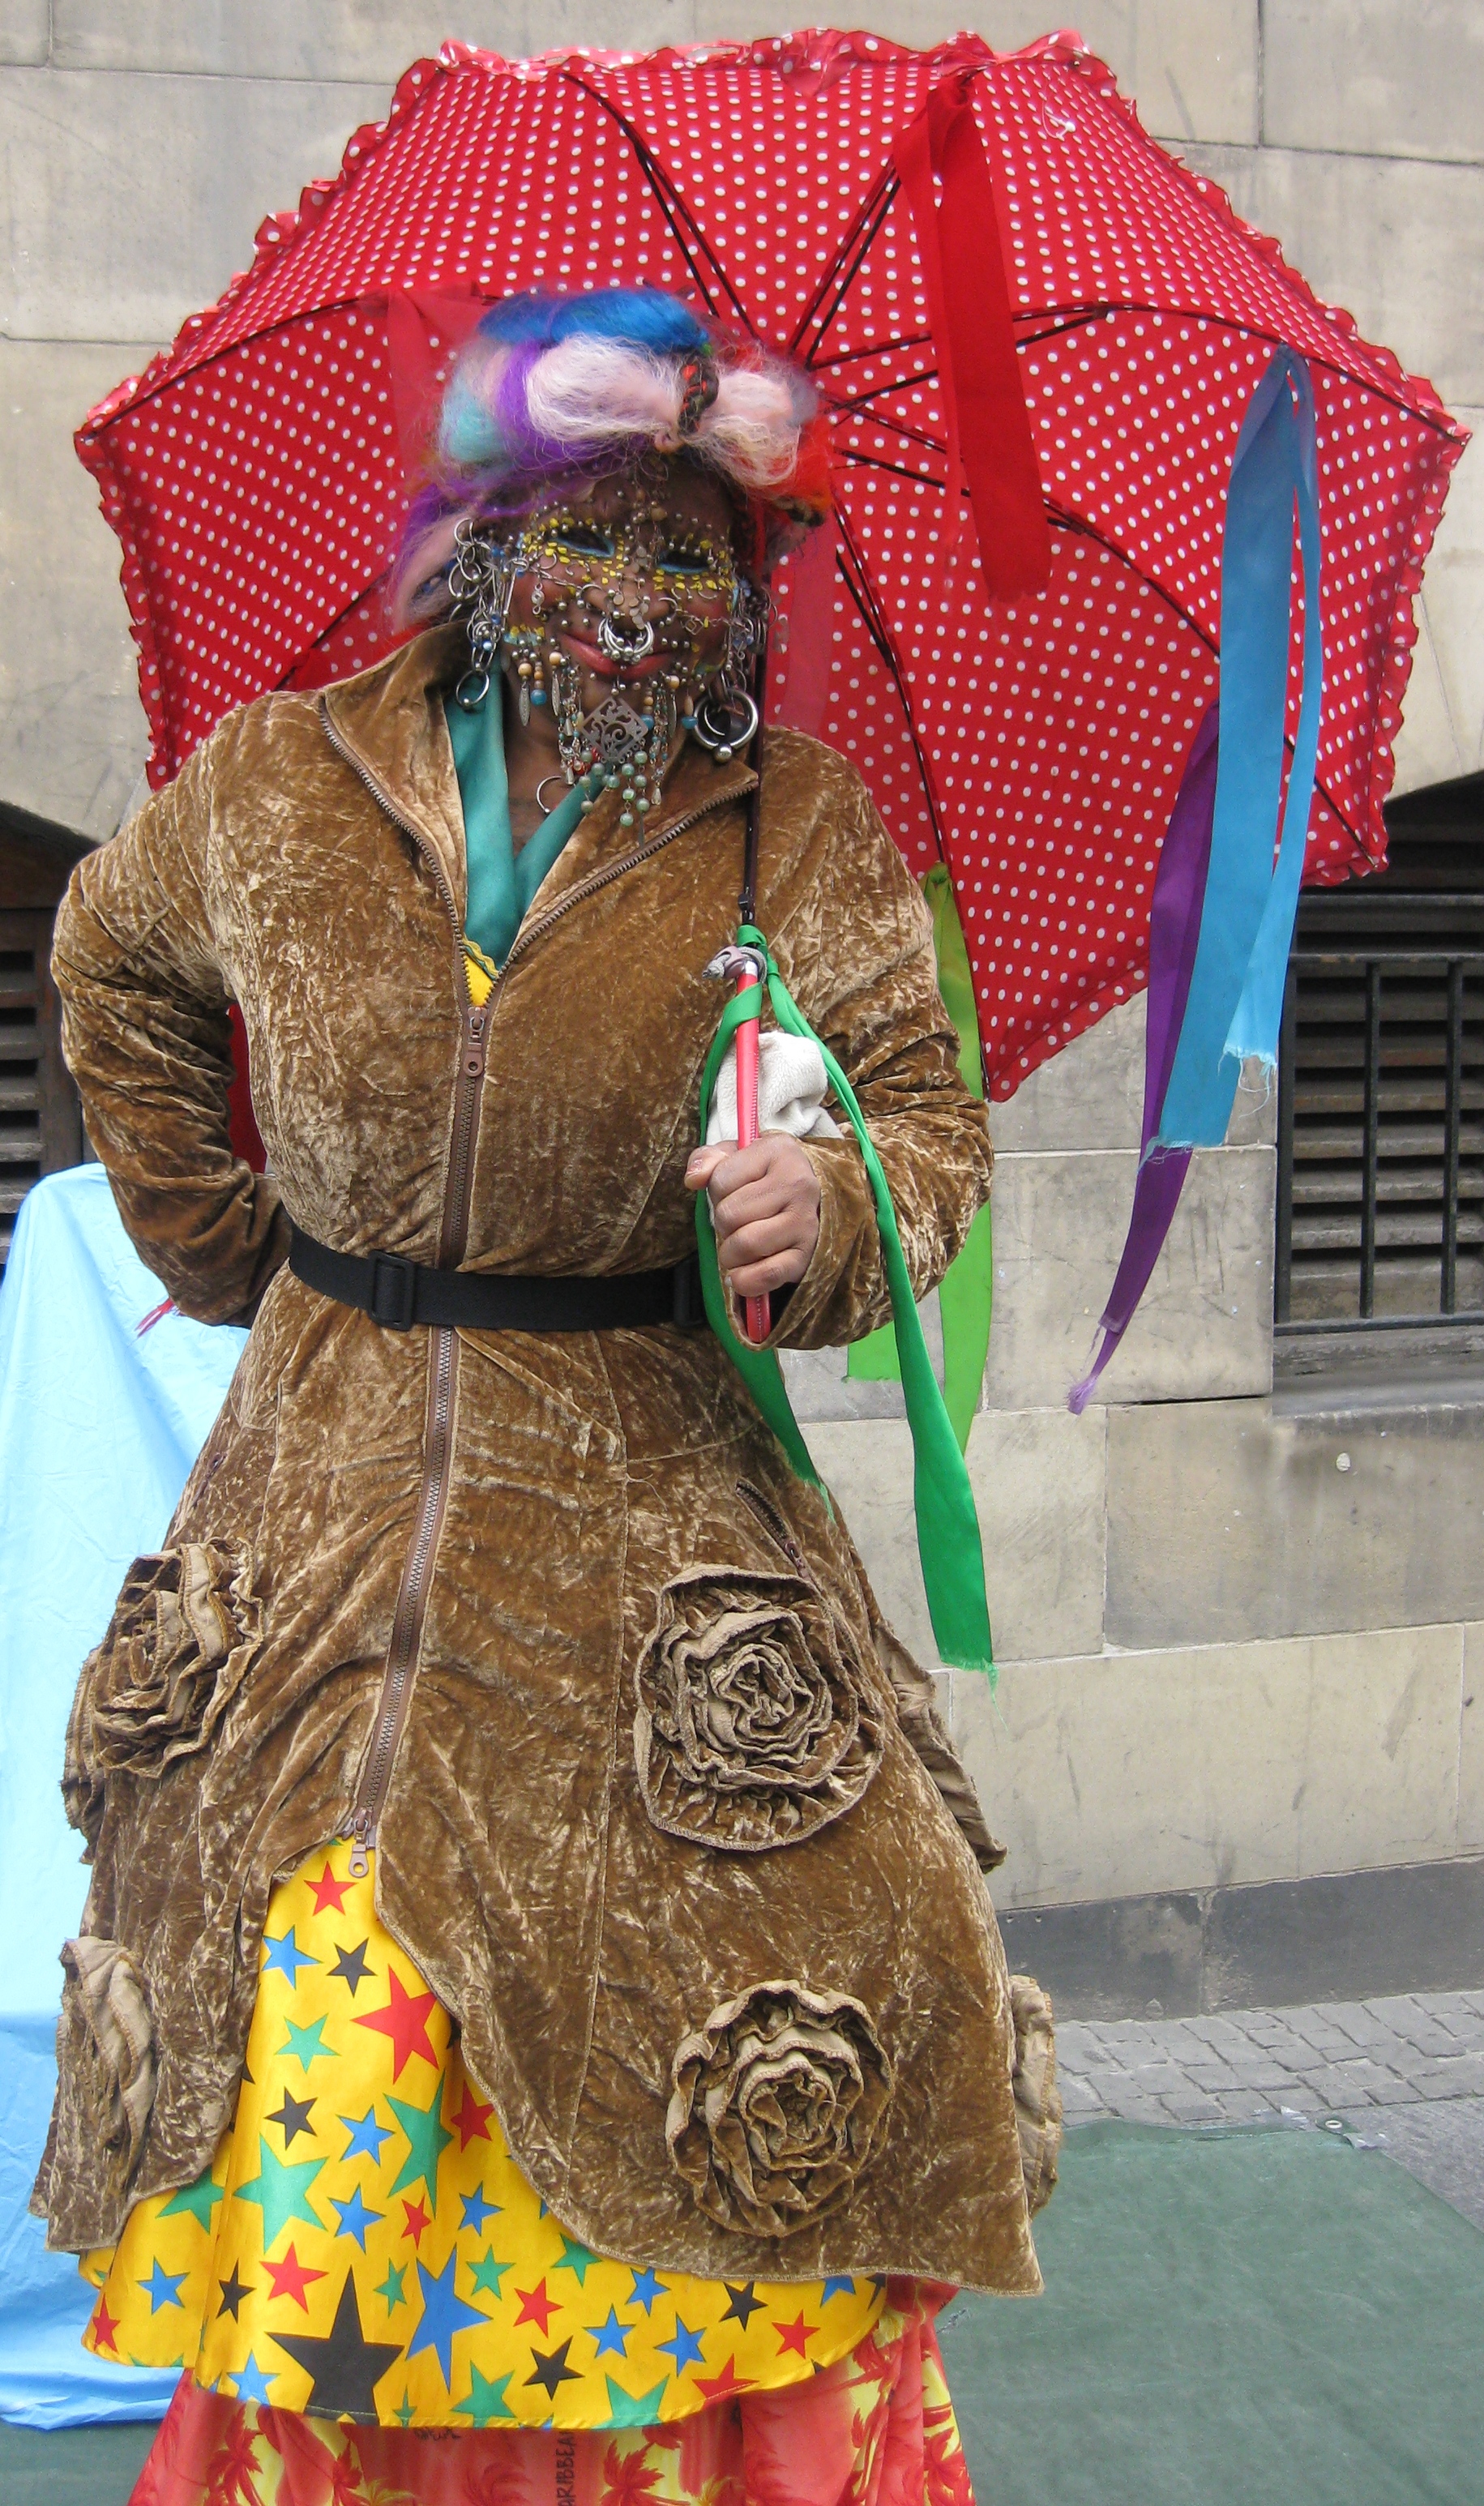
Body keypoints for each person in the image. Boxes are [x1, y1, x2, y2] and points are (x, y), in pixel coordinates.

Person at [35, 289, 1048, 2506]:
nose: (633, 592)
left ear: (743, 590)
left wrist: (828, 1209)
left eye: (689, 552)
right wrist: (217, 1239)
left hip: (657, 1538)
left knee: (749, 2008)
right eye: (587, 532)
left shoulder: (794, 830)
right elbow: (112, 951)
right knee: (327, 2057)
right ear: (484, 539)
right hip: (321, 1540)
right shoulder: (282, 783)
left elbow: (925, 1116)